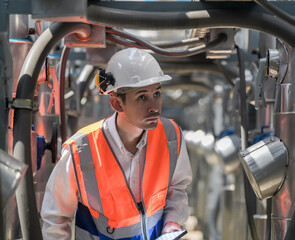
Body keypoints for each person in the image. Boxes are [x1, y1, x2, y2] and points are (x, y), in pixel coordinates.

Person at [40, 48, 192, 240]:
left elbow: (177, 188)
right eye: (142, 97)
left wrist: (172, 223)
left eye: (157, 93)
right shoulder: (80, 150)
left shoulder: (171, 135)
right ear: (117, 104)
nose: (154, 106)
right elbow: (56, 219)